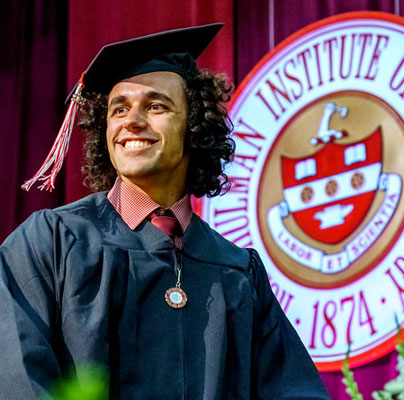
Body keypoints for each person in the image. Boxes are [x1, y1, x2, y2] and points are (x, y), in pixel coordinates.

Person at [0, 24, 330, 399]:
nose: (131, 121)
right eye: (118, 108)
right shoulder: (53, 242)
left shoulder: (237, 271)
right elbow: (18, 378)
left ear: (194, 126)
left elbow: (294, 389)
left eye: (156, 106)